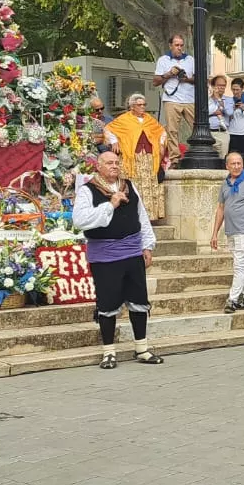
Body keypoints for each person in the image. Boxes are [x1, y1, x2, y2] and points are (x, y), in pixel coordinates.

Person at [74, 150, 161, 369]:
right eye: (109, 163)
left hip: (132, 252)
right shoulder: (87, 190)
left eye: (116, 162)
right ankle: (109, 352)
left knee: (139, 300)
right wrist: (110, 204)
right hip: (105, 255)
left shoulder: (129, 186)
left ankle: (142, 348)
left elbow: (142, 215)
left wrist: (147, 245)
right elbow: (80, 221)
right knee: (108, 302)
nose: (114, 166)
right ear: (99, 167)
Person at [209, 152, 244, 313]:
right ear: (227, 166)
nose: (236, 166)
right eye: (233, 163)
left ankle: (232, 298)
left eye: (239, 163)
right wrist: (214, 233)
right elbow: (220, 208)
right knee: (242, 263)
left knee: (239, 264)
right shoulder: (225, 184)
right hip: (231, 230)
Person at [104, 94, 172, 220]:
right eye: (139, 105)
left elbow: (161, 132)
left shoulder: (150, 119)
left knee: (149, 186)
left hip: (149, 158)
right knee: (133, 185)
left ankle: (149, 216)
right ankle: (132, 215)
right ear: (132, 107)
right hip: (132, 158)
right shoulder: (124, 119)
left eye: (144, 105)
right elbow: (108, 129)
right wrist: (114, 142)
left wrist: (162, 144)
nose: (142, 107)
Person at [153, 34, 196, 151]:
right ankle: (175, 158)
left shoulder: (191, 60)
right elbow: (155, 82)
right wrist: (170, 73)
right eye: (176, 45)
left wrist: (186, 79)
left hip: (189, 99)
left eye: (181, 45)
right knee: (172, 130)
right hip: (171, 99)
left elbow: (200, 79)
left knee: (197, 127)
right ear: (170, 46)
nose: (179, 48)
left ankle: (196, 151)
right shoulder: (163, 60)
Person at [205, 75, 232, 157]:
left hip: (222, 133)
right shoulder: (207, 99)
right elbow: (202, 112)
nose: (221, 87)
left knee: (223, 158)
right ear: (213, 86)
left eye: (223, 85)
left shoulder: (228, 100)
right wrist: (214, 112)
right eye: (219, 85)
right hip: (209, 132)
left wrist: (218, 99)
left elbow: (229, 112)